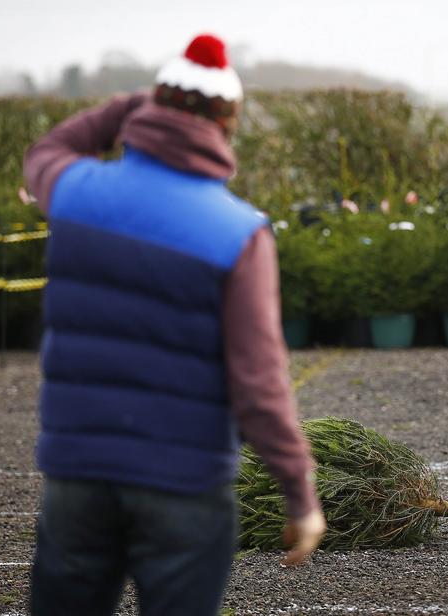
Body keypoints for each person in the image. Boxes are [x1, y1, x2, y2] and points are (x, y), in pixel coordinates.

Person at [24, 34, 325, 615]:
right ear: (227, 123)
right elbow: (259, 384)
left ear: (151, 108)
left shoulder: (75, 193)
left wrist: (134, 104)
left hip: (77, 476)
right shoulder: (240, 233)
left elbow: (47, 150)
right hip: (184, 481)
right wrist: (299, 491)